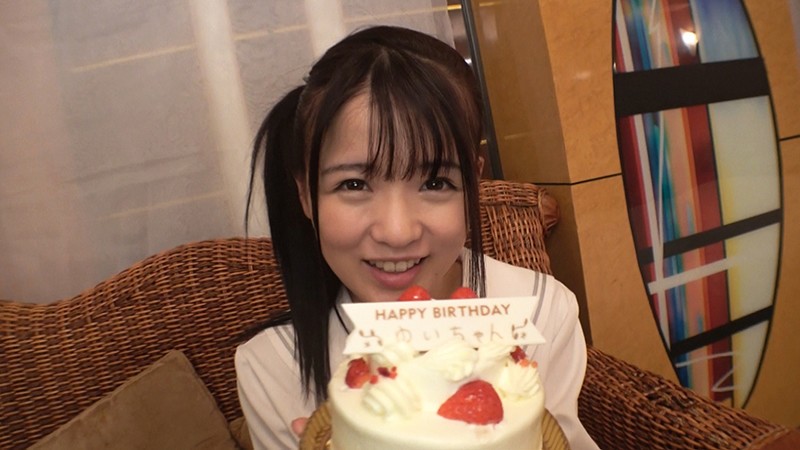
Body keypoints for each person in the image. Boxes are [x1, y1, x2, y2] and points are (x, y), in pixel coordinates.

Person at [235, 25, 599, 450]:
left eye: (435, 183)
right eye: (354, 185)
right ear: (305, 195)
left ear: (473, 184)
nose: (397, 232)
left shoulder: (541, 312)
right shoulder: (272, 366)